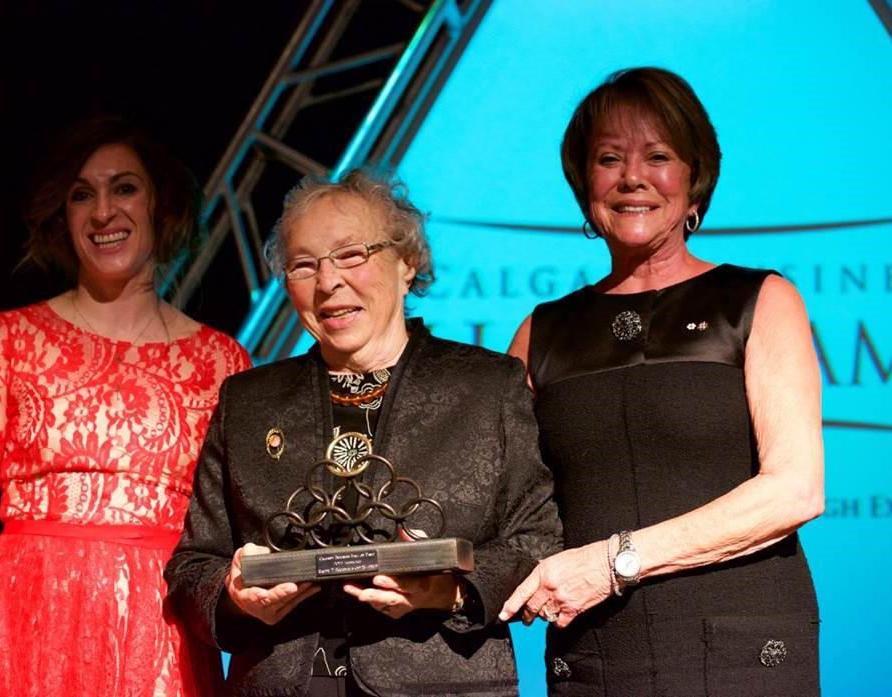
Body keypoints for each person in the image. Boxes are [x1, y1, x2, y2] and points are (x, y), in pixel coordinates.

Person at [164, 168, 562, 697]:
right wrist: (234, 595)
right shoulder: (249, 401)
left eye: (352, 255)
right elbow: (193, 564)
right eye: (304, 264)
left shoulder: (487, 386)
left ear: (407, 262)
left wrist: (452, 592)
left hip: (439, 683)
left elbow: (537, 540)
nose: (329, 282)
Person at [500, 67, 824, 695]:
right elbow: (498, 500)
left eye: (658, 156)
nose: (632, 178)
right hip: (592, 657)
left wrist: (614, 561)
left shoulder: (759, 300)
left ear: (694, 176)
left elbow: (795, 493)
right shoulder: (541, 332)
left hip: (744, 650)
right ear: (583, 183)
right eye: (609, 158)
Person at [0, 116, 250, 697]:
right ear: (63, 215)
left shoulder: (222, 361)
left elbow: (231, 545)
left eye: (123, 187)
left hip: (161, 650)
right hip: (21, 639)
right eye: (82, 194)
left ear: (161, 203)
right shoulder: (2, 342)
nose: (103, 212)